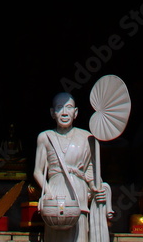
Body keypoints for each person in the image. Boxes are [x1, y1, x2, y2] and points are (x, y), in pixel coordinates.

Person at [34, 92, 111, 242]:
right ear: (52, 112)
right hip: (55, 194)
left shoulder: (87, 138)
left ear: (75, 113)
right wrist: (48, 192)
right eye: (59, 108)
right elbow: (38, 171)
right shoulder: (45, 137)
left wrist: (97, 188)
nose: (64, 112)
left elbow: (91, 171)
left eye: (68, 107)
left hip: (79, 194)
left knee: (80, 236)